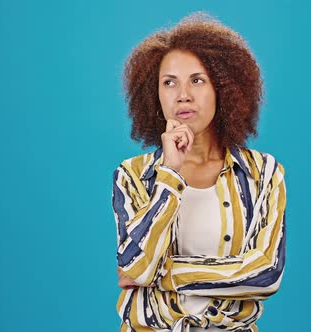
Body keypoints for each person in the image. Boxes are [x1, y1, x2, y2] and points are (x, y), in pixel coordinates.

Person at [111, 12, 287, 332]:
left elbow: (266, 273)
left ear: (223, 88)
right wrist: (169, 173)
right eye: (169, 82)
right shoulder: (133, 175)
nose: (183, 95)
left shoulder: (263, 174)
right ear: (155, 95)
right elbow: (136, 265)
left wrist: (165, 275)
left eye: (197, 80)